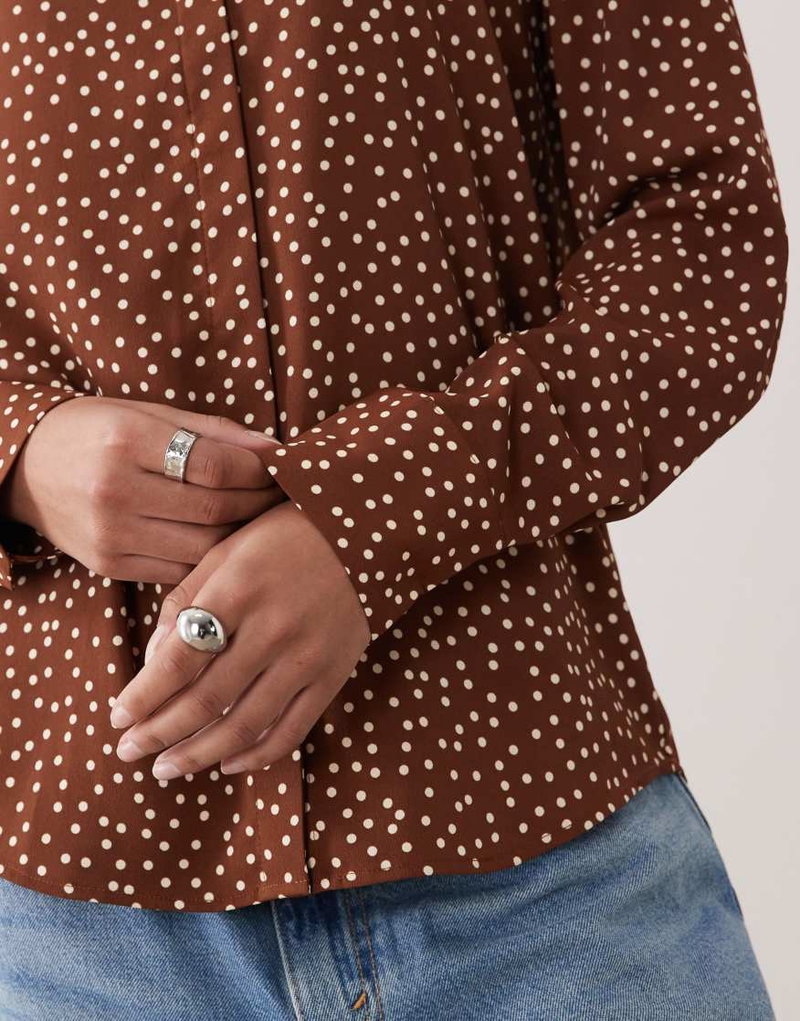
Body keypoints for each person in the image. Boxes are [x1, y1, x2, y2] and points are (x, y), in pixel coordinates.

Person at [0, 0, 786, 1017]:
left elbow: (703, 246)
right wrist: (21, 451)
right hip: (77, 912)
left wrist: (380, 509)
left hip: (534, 859)